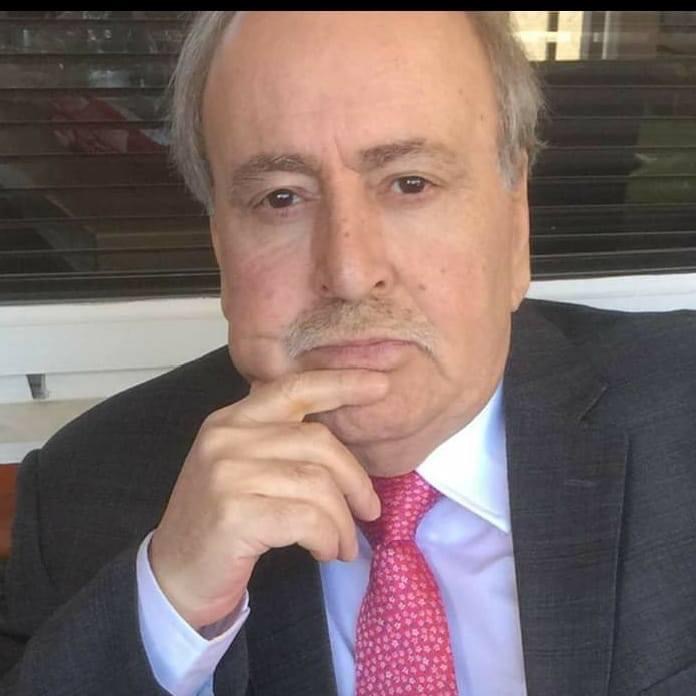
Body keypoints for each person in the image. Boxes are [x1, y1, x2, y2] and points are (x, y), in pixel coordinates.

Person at [1, 10, 695, 696]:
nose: (350, 271)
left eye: (410, 183)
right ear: (221, 245)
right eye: (281, 198)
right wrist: (170, 615)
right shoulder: (87, 494)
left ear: (515, 224)